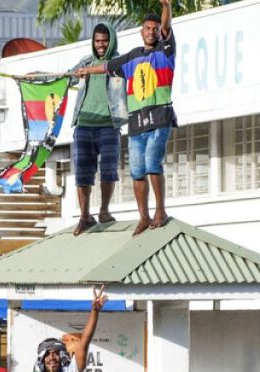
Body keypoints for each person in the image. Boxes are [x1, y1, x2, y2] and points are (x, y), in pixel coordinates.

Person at [75, 0, 176, 236]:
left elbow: (167, 27)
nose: (151, 32)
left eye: (155, 28)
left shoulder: (165, 52)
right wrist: (85, 70)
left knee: (152, 162)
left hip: (159, 117)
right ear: (141, 32)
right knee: (137, 170)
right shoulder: (131, 57)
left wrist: (166, 7)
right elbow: (107, 66)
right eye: (147, 28)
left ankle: (160, 211)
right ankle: (144, 217)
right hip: (136, 123)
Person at [67, 23, 127, 236]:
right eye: (97, 41)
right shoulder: (86, 61)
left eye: (104, 41)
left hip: (109, 124)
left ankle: (104, 211)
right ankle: (85, 216)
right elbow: (67, 77)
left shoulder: (120, 61)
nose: (101, 45)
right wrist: (37, 76)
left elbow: (111, 67)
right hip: (84, 122)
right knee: (83, 172)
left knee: (109, 169)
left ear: (111, 41)